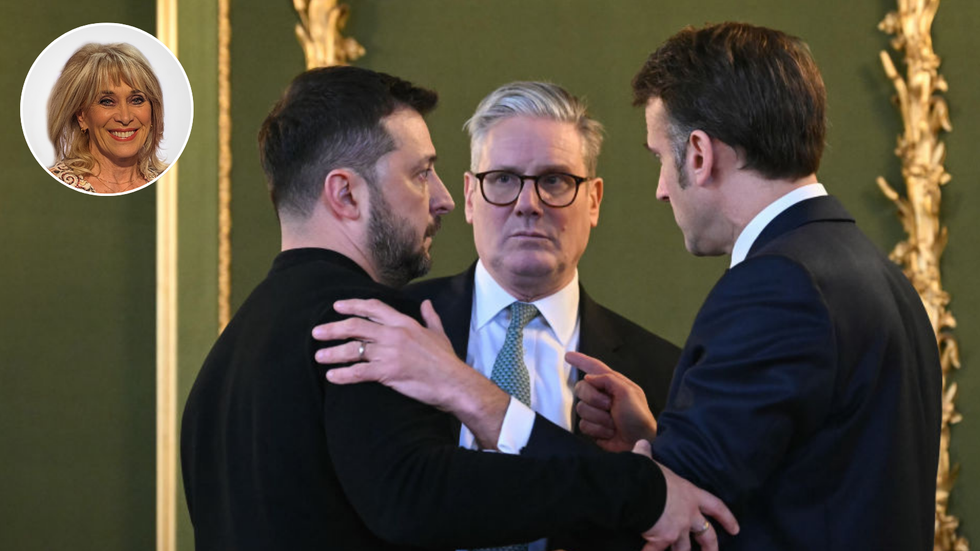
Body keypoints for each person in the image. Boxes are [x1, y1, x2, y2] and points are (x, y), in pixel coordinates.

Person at [180, 65, 736, 551]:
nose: (440, 198)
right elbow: (419, 494)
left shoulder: (221, 361)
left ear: (593, 201)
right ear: (346, 194)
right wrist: (638, 488)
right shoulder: (375, 324)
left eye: (554, 181)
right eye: (421, 173)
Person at [569, 21, 941, 550]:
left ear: (699, 154)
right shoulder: (878, 273)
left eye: (660, 158)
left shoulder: (777, 286)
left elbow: (677, 522)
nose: (660, 190)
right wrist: (656, 441)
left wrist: (477, 402)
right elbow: (807, 478)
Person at [319, 81, 680, 551]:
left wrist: (648, 461)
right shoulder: (388, 329)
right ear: (470, 197)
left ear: (593, 201)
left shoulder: (661, 375)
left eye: (555, 180)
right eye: (504, 179)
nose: (528, 205)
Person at [47, 42, 166, 194]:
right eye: (107, 102)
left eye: (136, 100)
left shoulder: (171, 184)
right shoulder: (51, 186)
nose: (125, 117)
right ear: (81, 115)